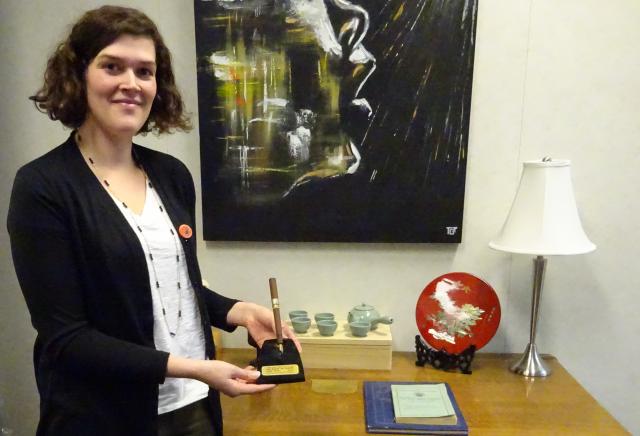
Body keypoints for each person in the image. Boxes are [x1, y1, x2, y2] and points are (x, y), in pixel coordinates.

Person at [7, 5, 300, 436]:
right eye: (112, 67)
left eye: (145, 71)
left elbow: (167, 284)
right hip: (102, 416)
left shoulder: (171, 176)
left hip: (195, 408)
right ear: (79, 75)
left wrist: (236, 312)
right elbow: (66, 338)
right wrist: (194, 368)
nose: (131, 84)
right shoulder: (43, 187)